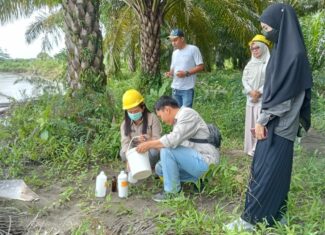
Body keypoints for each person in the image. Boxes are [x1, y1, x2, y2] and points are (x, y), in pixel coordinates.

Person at [225, 3, 312, 231]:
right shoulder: (285, 53)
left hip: (280, 125)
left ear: (280, 23)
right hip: (277, 124)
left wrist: (262, 120)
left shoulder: (293, 56)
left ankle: (250, 221)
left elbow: (284, 98)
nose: (265, 32)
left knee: (267, 172)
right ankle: (276, 216)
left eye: (267, 27)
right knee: (275, 171)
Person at [136, 96, 220, 202]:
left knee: (168, 149)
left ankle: (172, 192)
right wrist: (150, 140)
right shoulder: (178, 121)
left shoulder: (187, 114)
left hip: (207, 161)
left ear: (167, 110)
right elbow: (175, 143)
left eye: (160, 116)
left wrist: (149, 145)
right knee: (159, 168)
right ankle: (198, 180)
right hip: (196, 159)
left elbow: (172, 141)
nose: (162, 120)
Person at [242, 34, 271, 156]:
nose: (254, 51)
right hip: (251, 99)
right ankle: (251, 148)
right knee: (251, 122)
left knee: (260, 123)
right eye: (252, 49)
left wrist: (259, 92)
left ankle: (260, 148)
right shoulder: (250, 64)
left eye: (257, 48)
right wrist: (250, 91)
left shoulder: (269, 63)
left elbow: (271, 80)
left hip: (263, 99)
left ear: (264, 47)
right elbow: (244, 79)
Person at [120, 89, 162, 170]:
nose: (133, 114)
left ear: (142, 108)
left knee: (154, 153)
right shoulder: (124, 124)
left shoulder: (152, 118)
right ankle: (135, 164)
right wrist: (129, 158)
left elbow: (157, 139)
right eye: (130, 112)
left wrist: (147, 141)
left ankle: (148, 166)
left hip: (149, 148)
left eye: (136, 111)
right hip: (134, 150)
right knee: (122, 153)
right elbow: (125, 143)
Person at [164, 29, 204, 108]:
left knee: (186, 114)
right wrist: (169, 73)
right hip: (175, 89)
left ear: (182, 39)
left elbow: (201, 66)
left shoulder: (193, 49)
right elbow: (173, 70)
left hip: (187, 89)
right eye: (172, 41)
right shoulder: (174, 53)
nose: (173, 43)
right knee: (177, 114)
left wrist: (186, 73)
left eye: (175, 40)